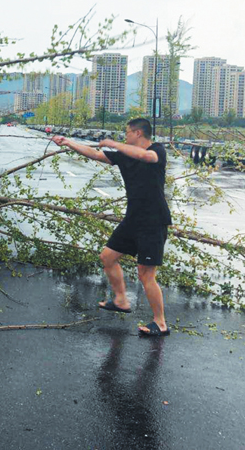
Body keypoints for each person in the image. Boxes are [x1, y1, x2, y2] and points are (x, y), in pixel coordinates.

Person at [51, 118, 172, 337]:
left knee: (146, 274)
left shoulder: (157, 150)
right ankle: (121, 300)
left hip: (153, 221)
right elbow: (95, 154)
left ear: (138, 133)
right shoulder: (125, 155)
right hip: (133, 219)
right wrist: (68, 142)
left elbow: (146, 157)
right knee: (107, 257)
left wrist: (115, 144)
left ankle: (160, 323)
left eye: (127, 133)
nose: (125, 136)